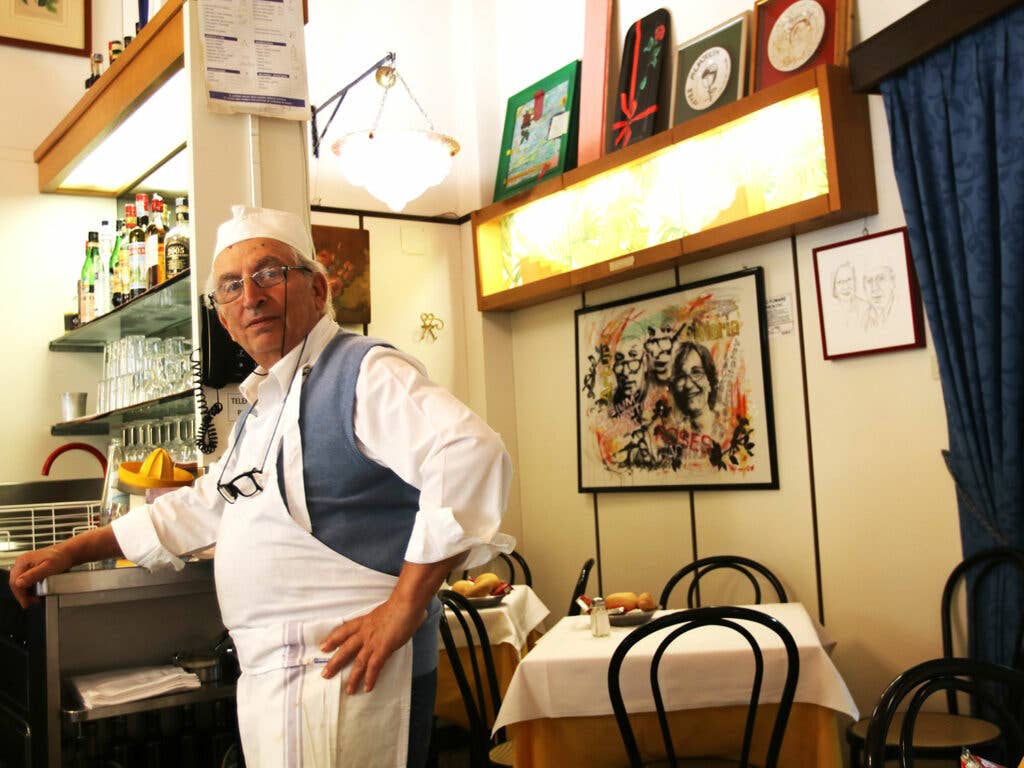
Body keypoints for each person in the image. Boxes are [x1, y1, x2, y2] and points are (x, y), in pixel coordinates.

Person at [9, 205, 513, 768]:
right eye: (231, 286)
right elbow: (206, 505)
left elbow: (470, 452)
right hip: (277, 679)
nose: (251, 295)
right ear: (223, 319)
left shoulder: (364, 370)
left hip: (350, 673)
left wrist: (404, 605)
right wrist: (71, 550)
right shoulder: (263, 402)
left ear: (318, 290)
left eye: (269, 273)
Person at [670, 341, 719, 435]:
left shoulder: (728, 429)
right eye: (681, 376)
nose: (688, 385)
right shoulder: (674, 435)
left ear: (710, 381)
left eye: (696, 372)